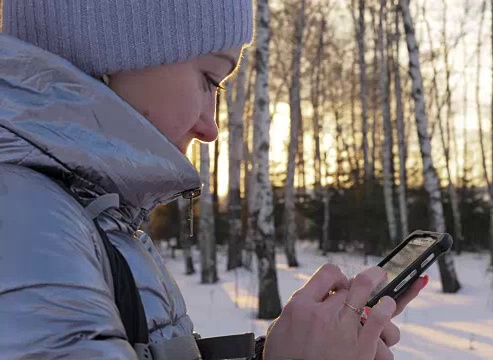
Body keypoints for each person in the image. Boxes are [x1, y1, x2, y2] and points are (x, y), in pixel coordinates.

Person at [0, 1, 429, 359]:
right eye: (209, 80)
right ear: (111, 46)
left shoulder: (81, 215)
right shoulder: (27, 218)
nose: (211, 128)